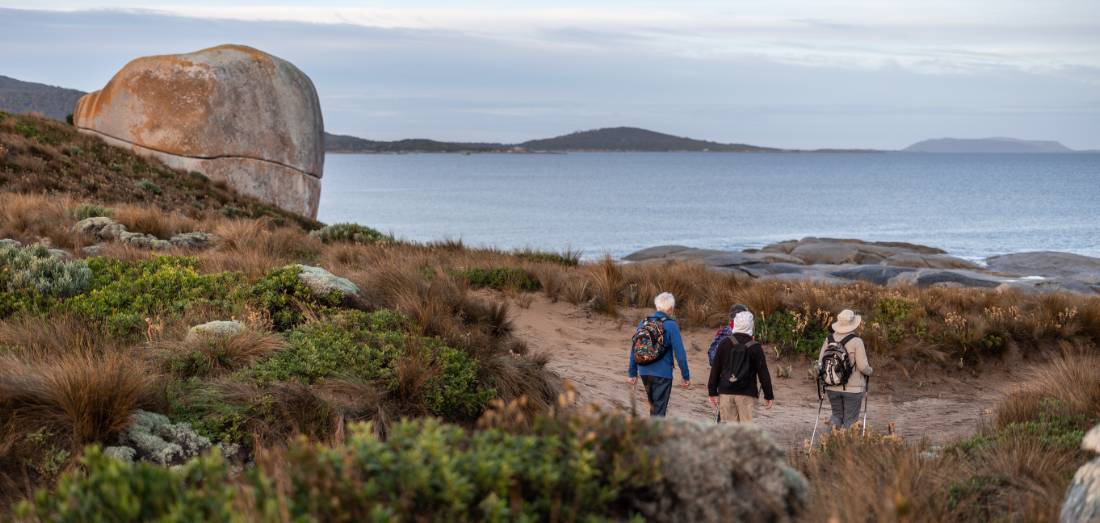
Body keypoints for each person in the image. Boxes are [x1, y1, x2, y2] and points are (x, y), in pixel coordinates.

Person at [628, 292, 690, 417]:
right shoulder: (671, 325)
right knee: (659, 411)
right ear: (670, 309)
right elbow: (680, 353)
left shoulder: (644, 322)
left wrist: (632, 372)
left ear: (657, 306)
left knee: (655, 408)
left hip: (644, 371)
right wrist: (685, 375)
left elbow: (635, 348)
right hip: (663, 374)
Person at [707, 310, 774, 422]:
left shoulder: (724, 343)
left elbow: (715, 369)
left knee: (729, 432)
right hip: (747, 394)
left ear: (735, 324)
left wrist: (712, 392)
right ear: (751, 326)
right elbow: (763, 373)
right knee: (745, 433)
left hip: (726, 392)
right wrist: (769, 395)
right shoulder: (755, 347)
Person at [819, 309, 873, 430]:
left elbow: (820, 362)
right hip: (853, 389)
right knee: (850, 421)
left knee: (836, 416)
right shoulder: (857, 341)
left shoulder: (829, 339)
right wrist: (870, 371)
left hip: (831, 386)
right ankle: (846, 447)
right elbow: (863, 367)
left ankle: (831, 444)